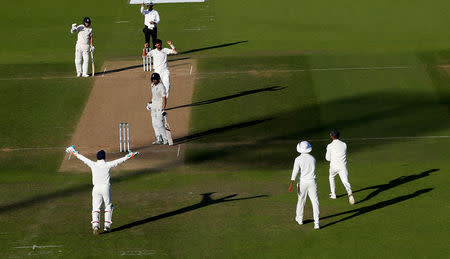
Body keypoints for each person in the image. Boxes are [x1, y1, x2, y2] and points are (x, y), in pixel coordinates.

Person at [65, 145, 139, 235]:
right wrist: (131, 155)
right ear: (104, 157)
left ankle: (95, 225)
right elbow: (120, 161)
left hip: (96, 189)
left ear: (97, 157)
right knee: (108, 206)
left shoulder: (93, 164)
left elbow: (82, 158)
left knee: (96, 208)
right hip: (105, 188)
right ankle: (107, 226)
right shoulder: (107, 164)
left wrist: (74, 152)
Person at [288, 141, 320, 229]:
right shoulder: (313, 158)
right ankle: (317, 223)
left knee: (301, 200)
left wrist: (291, 183)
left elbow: (295, 171)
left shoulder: (298, 159)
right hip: (312, 182)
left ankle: (299, 219)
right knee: (315, 202)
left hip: (302, 183)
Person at [325, 129, 355, 205]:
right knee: (345, 181)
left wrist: (327, 150)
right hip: (343, 167)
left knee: (331, 177)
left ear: (331, 136)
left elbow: (327, 158)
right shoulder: (344, 144)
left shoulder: (329, 146)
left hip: (333, 167)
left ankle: (333, 194)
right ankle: (349, 192)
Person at [146, 72, 168, 145]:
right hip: (154, 105)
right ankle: (159, 138)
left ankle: (166, 139)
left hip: (159, 105)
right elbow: (153, 94)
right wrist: (149, 103)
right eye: (152, 79)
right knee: (154, 123)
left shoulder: (161, 86)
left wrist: (163, 108)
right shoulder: (152, 85)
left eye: (155, 79)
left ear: (158, 79)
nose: (153, 81)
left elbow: (164, 98)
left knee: (159, 123)